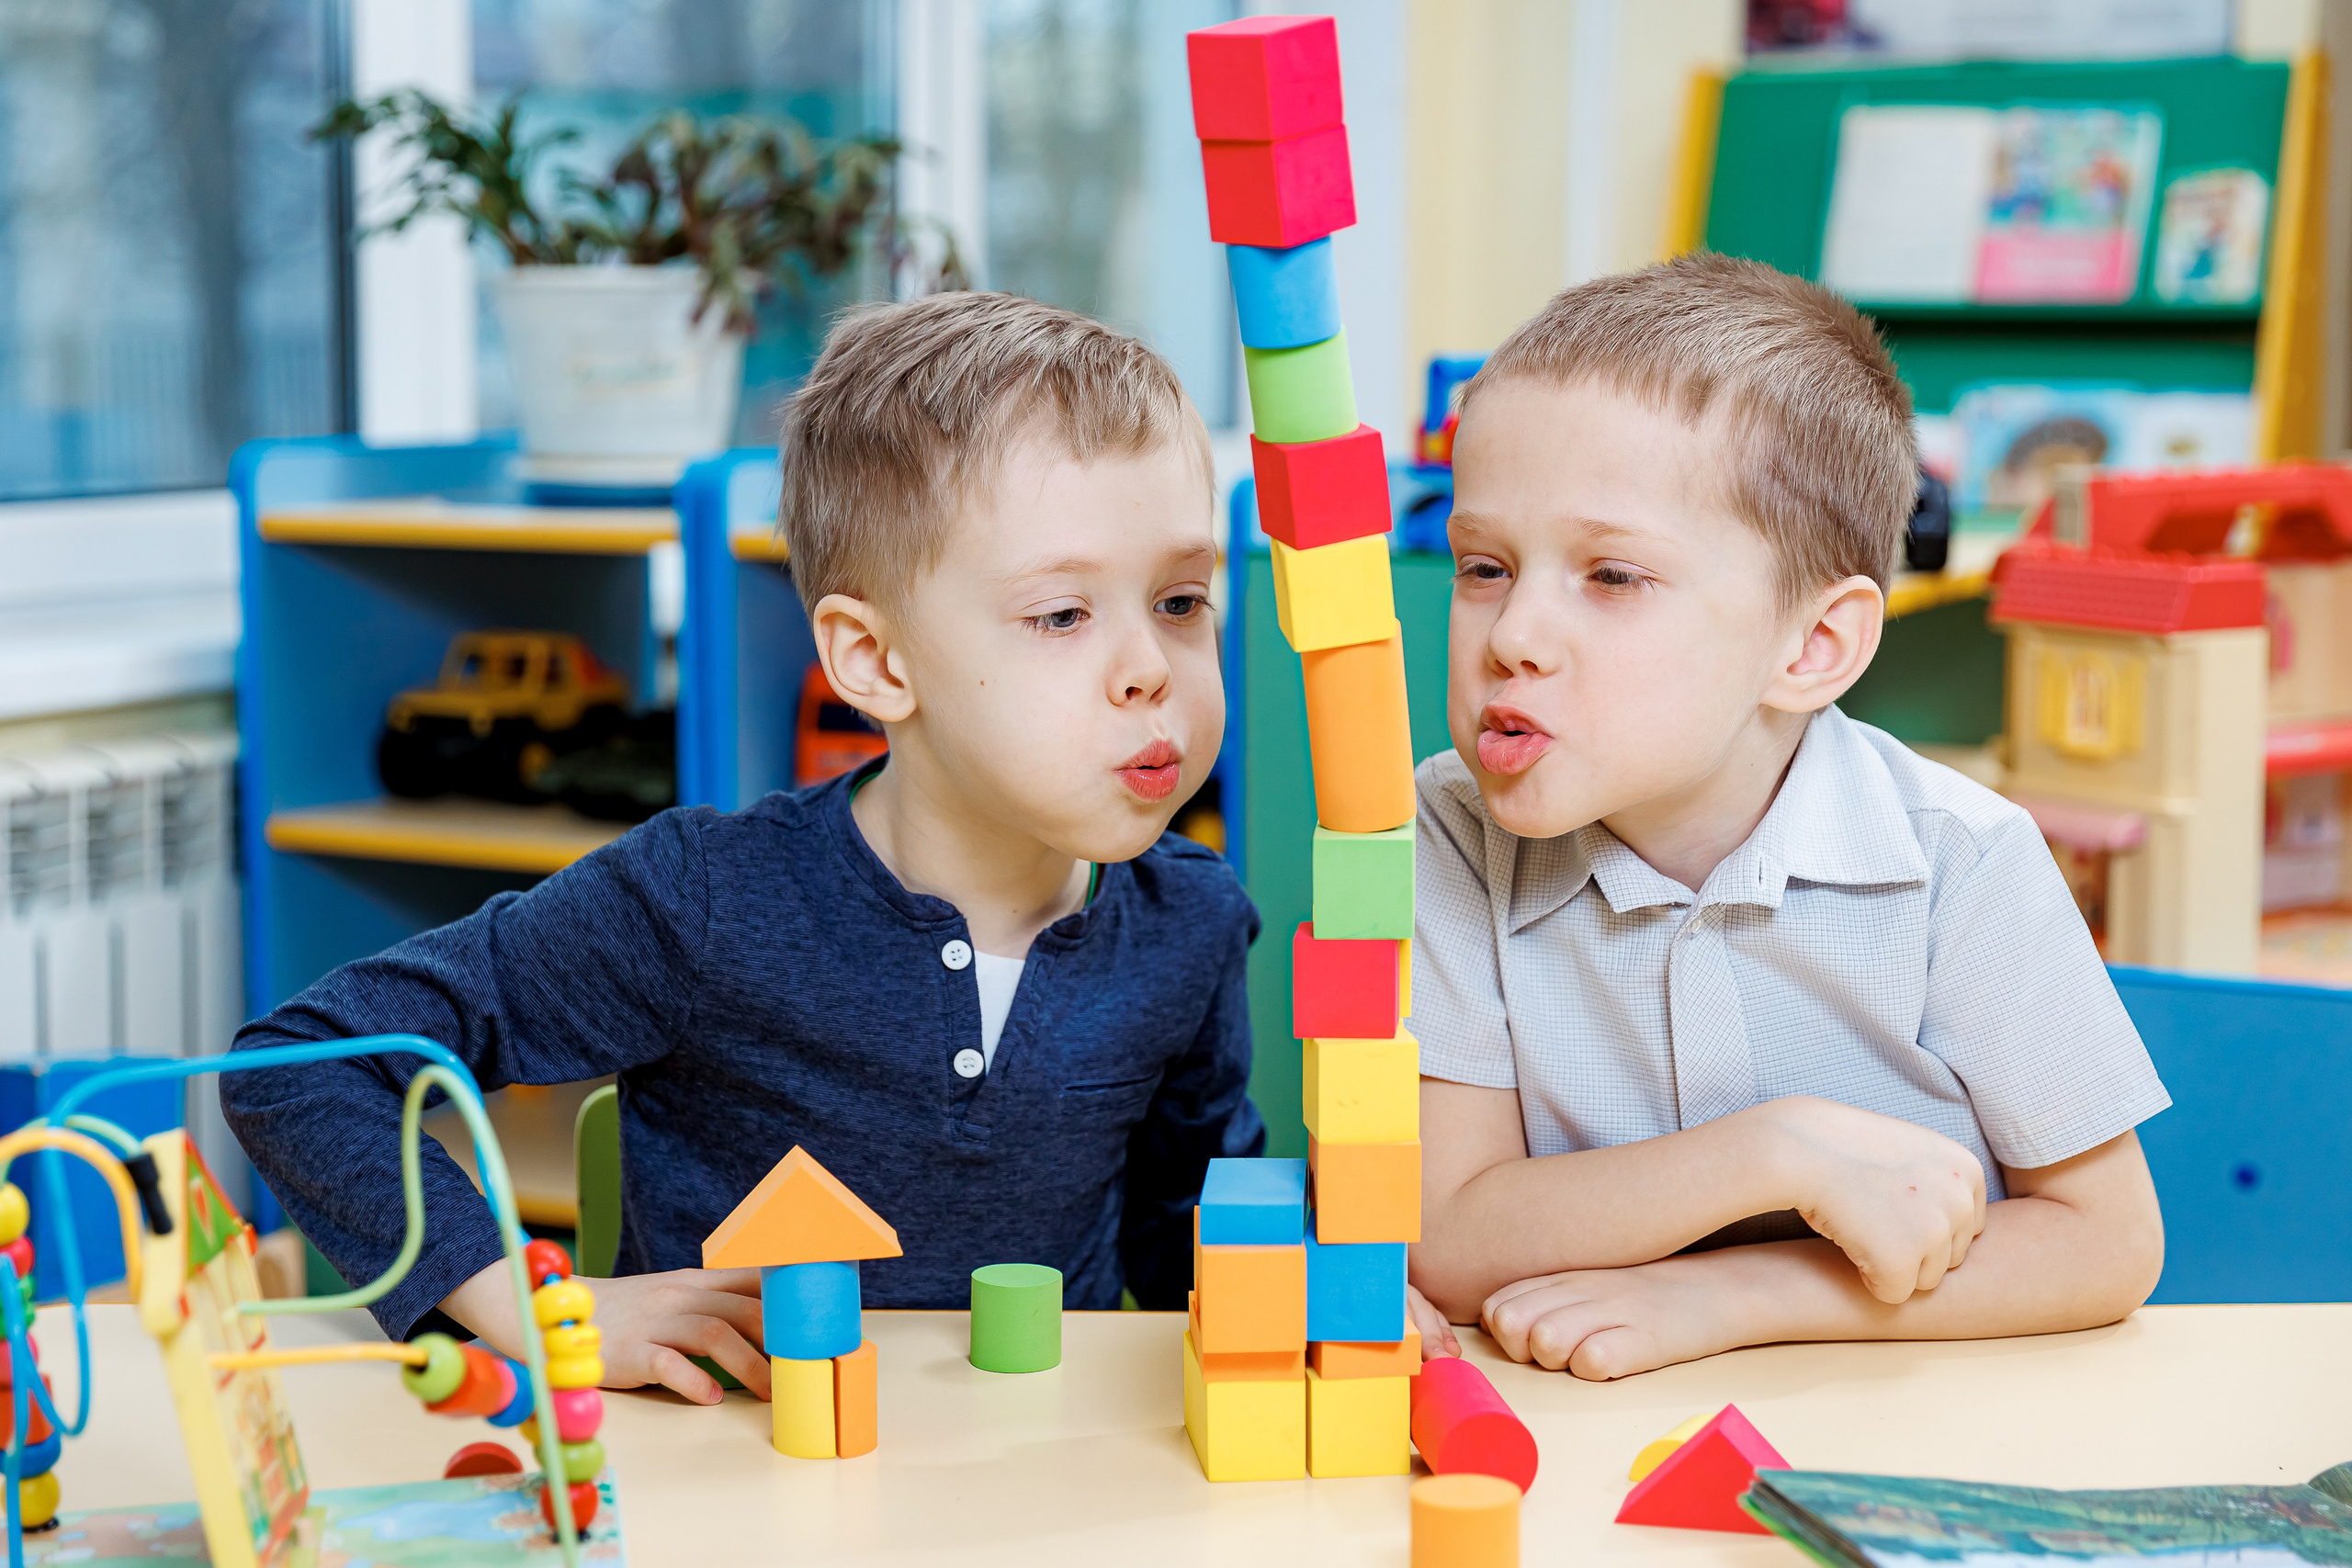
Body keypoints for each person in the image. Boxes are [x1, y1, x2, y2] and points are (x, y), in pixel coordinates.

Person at [225, 292, 1261, 1401]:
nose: (1150, 669)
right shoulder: (701, 901)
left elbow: (1191, 1239)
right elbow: (300, 1069)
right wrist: (527, 1306)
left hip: (1031, 1466)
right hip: (728, 1462)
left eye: (1179, 601)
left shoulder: (1191, 921)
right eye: (1062, 615)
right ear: (874, 662)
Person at [1403, 254, 2169, 1379]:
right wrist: (1769, 1155)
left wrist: (1735, 1296)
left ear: (1812, 646)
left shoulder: (1961, 858)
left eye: (1611, 576)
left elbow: (2106, 1245)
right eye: (1483, 567)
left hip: (1905, 1422)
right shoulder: (1448, 830)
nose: (1512, 635)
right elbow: (1445, 1237)